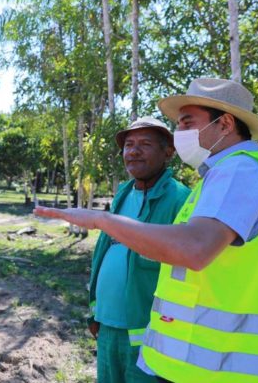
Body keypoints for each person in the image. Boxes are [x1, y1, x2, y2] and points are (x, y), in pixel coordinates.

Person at [35, 78, 258, 383]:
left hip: (215, 368)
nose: (180, 134)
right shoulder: (216, 177)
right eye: (178, 125)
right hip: (192, 359)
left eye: (187, 123)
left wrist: (101, 220)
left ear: (225, 124)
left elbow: (193, 248)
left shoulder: (239, 171)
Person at [89, 117, 190, 383]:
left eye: (145, 144)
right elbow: (106, 252)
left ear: (168, 152)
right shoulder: (123, 193)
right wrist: (96, 311)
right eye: (129, 145)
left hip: (148, 332)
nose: (133, 151)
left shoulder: (180, 199)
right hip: (108, 325)